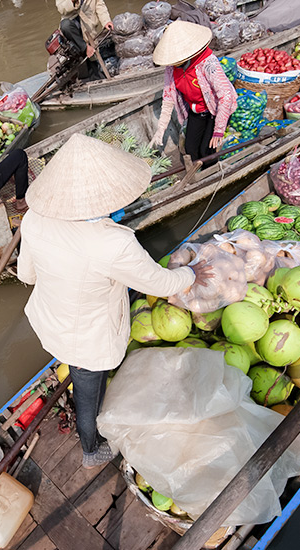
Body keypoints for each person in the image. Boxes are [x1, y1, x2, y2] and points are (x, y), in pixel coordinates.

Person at [17, 134, 214, 468]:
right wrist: (192, 274)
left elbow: (27, 277)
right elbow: (161, 281)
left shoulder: (34, 219)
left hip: (49, 319)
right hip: (85, 341)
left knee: (83, 382)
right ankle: (91, 450)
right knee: (88, 398)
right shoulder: (113, 244)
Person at [150, 20, 237, 163]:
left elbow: (226, 94)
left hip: (214, 111)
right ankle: (198, 174)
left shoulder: (208, 63)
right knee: (190, 151)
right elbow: (168, 98)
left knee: (206, 152)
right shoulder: (171, 69)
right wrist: (161, 129)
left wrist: (219, 130)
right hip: (196, 111)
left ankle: (211, 174)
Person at [56, 0, 113, 80]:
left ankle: (96, 75)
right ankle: (85, 49)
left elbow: (99, 5)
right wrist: (73, 2)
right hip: (72, 35)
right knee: (65, 25)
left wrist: (106, 21)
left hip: (88, 30)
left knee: (95, 70)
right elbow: (61, 8)